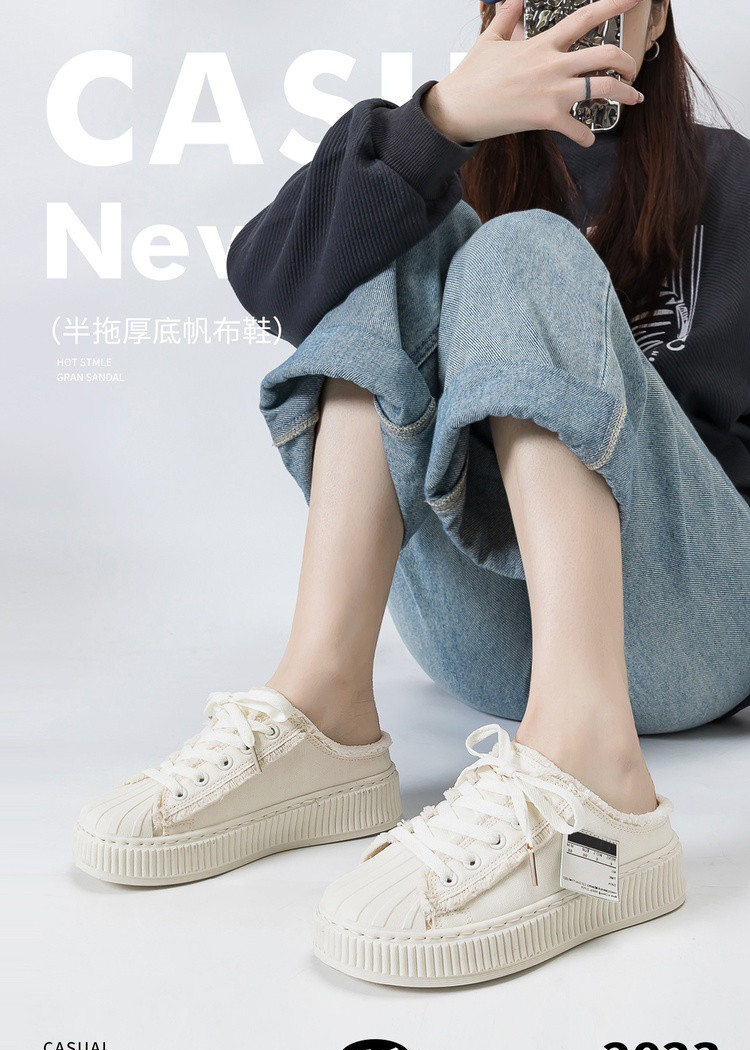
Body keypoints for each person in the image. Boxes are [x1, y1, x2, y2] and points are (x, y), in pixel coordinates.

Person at [74, 0, 750, 987]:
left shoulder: (735, 180)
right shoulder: (445, 155)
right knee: (389, 233)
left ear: (654, 25)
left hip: (693, 620)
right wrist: (438, 122)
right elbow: (269, 282)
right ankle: (325, 713)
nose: (581, 16)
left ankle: (592, 767)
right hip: (491, 641)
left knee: (521, 248)